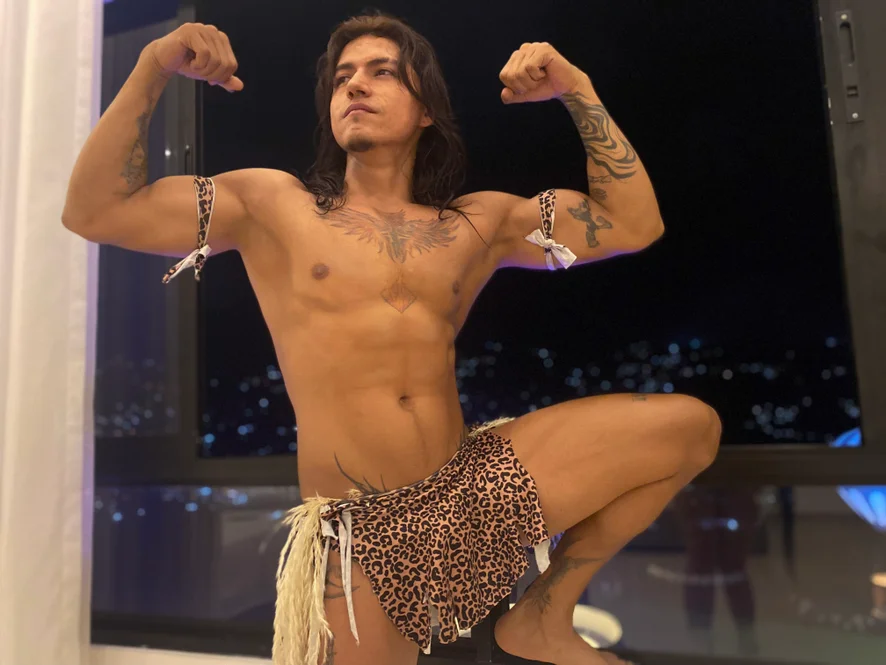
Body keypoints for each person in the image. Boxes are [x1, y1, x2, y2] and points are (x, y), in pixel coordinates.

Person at [63, 12, 722, 665]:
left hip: (468, 490)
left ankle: (544, 617)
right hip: (360, 527)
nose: (355, 84)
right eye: (343, 77)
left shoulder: (477, 223)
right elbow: (96, 210)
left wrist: (575, 88)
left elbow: (633, 223)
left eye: (382, 72)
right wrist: (153, 66)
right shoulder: (273, 207)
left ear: (426, 109)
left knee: (689, 428)